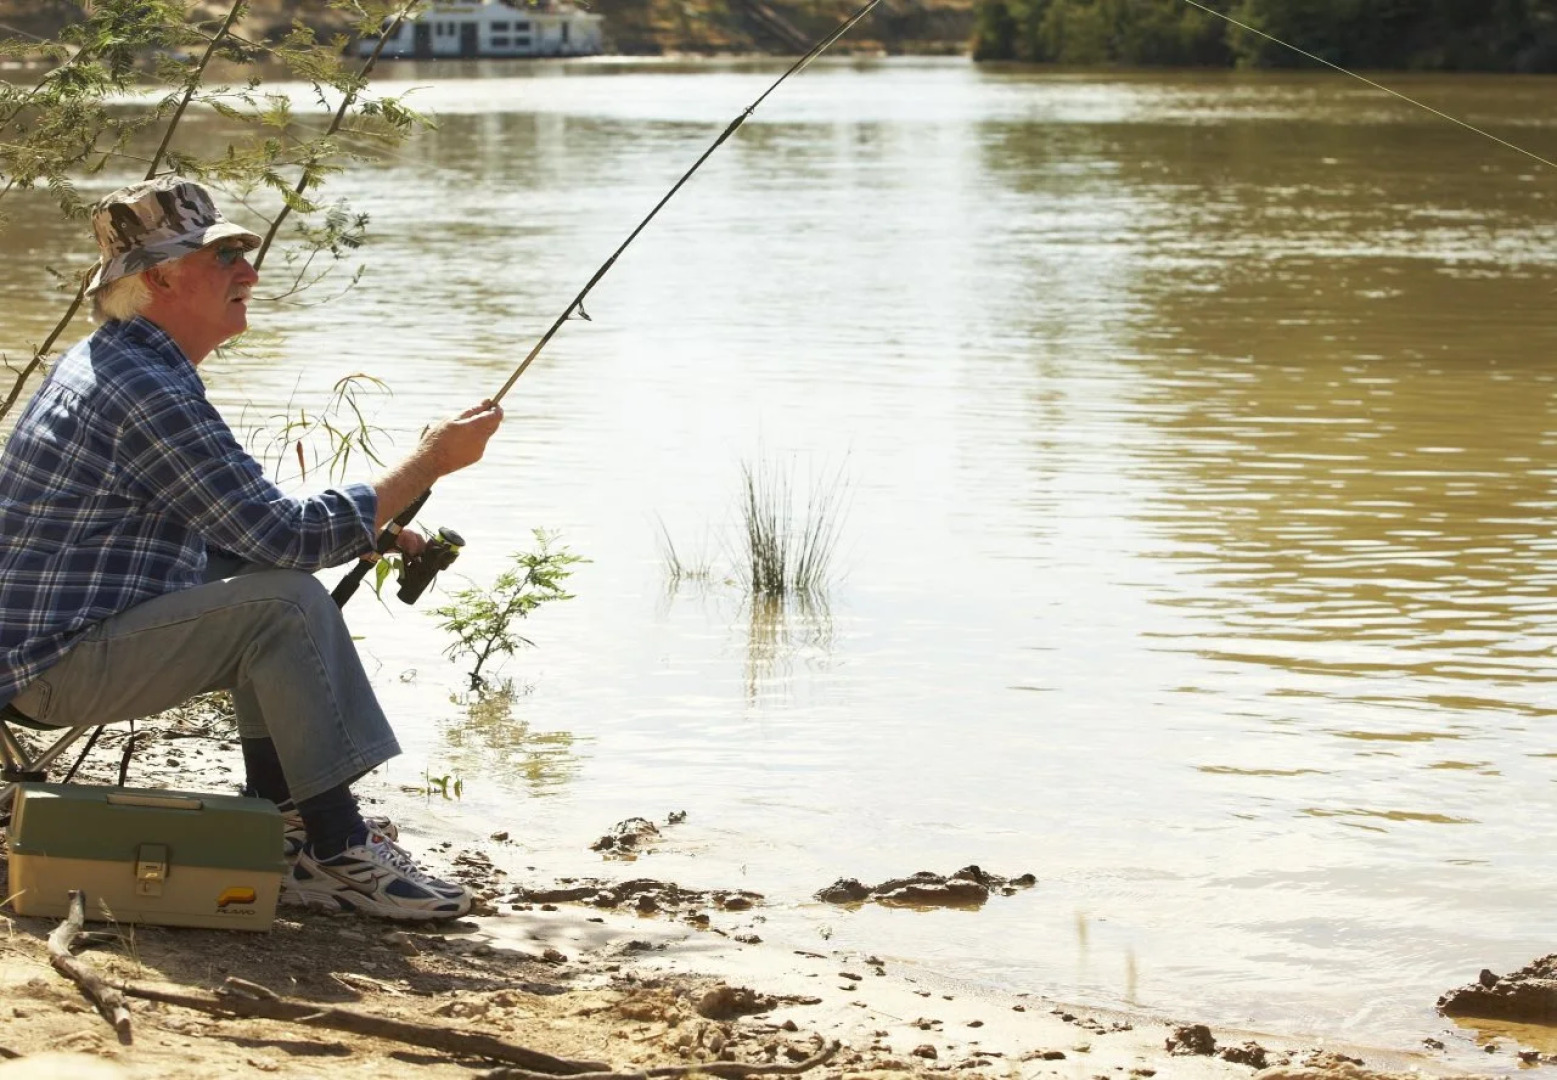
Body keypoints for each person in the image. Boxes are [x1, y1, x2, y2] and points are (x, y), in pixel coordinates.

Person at [0, 174, 504, 922]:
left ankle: (290, 827)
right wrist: (427, 462)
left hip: (57, 639)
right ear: (161, 278)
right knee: (285, 605)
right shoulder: (146, 388)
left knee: (272, 582)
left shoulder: (124, 360)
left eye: (243, 252)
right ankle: (336, 849)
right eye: (223, 258)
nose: (249, 273)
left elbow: (244, 522)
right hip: (49, 669)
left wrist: (373, 524)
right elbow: (287, 535)